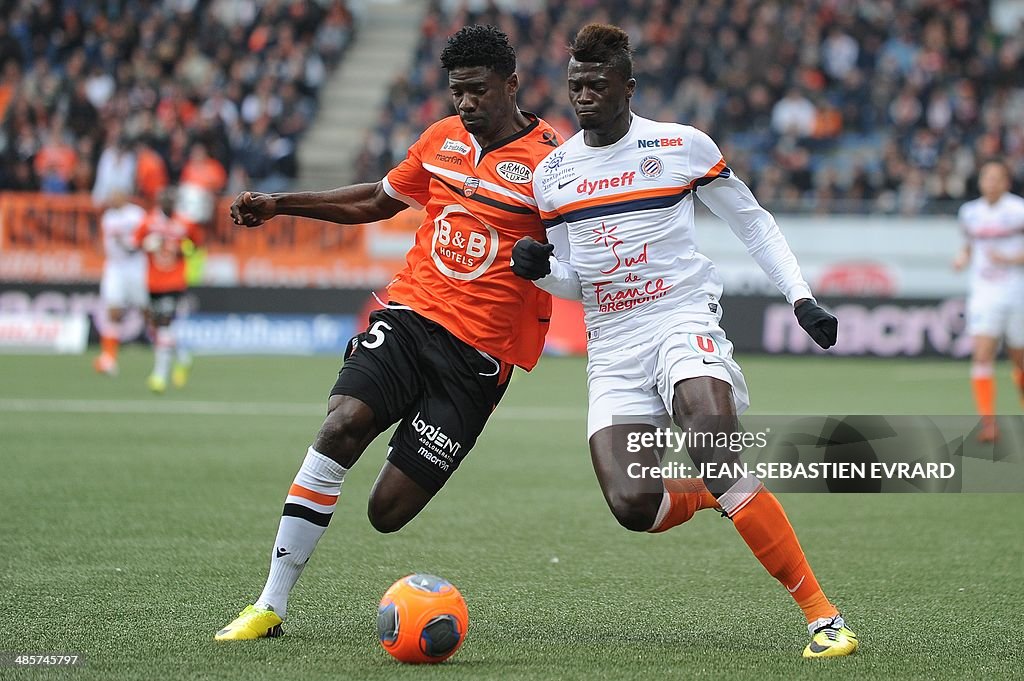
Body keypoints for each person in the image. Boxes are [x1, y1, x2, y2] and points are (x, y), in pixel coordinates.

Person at [511, 24, 855, 659]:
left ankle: (822, 617)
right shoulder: (552, 176)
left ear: (627, 87)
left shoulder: (680, 147)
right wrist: (542, 271)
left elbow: (753, 221)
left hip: (680, 316)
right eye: (574, 85)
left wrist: (800, 296)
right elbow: (573, 280)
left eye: (596, 84)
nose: (583, 95)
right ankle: (703, 494)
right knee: (632, 505)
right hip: (611, 343)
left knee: (712, 441)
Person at [215, 25, 561, 641]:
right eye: (457, 92)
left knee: (386, 513)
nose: (466, 103)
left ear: (511, 85)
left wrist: (553, 266)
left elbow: (581, 252)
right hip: (409, 315)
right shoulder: (440, 140)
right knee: (342, 423)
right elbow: (377, 201)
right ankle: (270, 603)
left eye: (478, 90)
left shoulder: (554, 165)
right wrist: (281, 203)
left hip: (478, 357)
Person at [952, 160, 1024, 442]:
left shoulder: (1018, 210)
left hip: (1017, 292)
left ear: (1006, 182)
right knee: (982, 353)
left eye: (997, 178)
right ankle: (988, 424)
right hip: (984, 293)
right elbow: (969, 246)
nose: (991, 182)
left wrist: (1010, 259)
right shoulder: (969, 213)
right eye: (987, 177)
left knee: (1019, 360)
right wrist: (962, 258)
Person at [132, 187, 203, 393]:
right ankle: (183, 356)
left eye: (170, 200)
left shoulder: (185, 223)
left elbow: (196, 246)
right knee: (159, 328)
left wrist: (180, 249)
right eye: (164, 200)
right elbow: (135, 243)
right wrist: (147, 245)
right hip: (153, 281)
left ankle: (159, 375)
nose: (167, 204)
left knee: (165, 323)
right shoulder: (149, 221)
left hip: (174, 281)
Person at [93, 191, 148, 376]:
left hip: (136, 268)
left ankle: (165, 347)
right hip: (115, 268)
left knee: (147, 311)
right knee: (113, 310)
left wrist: (128, 245)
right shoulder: (108, 217)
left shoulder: (137, 214)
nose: (111, 198)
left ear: (124, 196)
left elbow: (142, 240)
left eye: (115, 195)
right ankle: (108, 358)